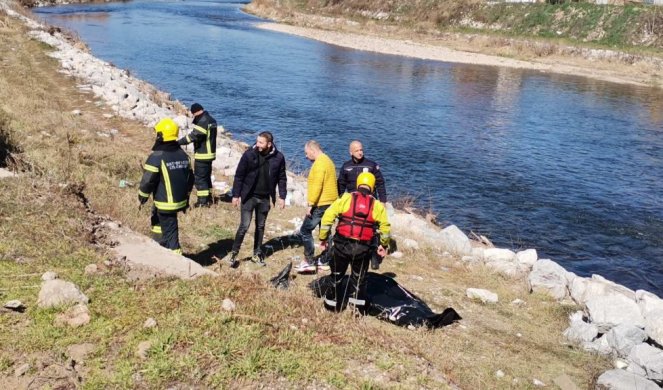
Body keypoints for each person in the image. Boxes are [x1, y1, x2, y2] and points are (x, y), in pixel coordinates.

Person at [318, 172, 391, 312]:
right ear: (372, 187)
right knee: (359, 279)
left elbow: (327, 217)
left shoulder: (345, 198)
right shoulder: (377, 205)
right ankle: (356, 309)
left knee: (336, 276)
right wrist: (384, 245)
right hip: (363, 248)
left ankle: (332, 307)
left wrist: (323, 238)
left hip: (341, 245)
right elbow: (385, 228)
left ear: (358, 184)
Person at [224, 131, 287, 267]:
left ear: (269, 144)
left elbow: (282, 178)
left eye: (261, 142)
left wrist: (282, 196)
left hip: (264, 198)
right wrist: (236, 195)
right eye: (257, 141)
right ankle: (233, 254)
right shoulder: (249, 154)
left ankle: (256, 255)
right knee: (244, 226)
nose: (257, 145)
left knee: (260, 226)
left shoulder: (279, 158)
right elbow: (239, 175)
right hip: (249, 196)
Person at [138, 118, 194, 255]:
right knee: (157, 222)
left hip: (165, 203)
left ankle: (176, 259)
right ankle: (158, 249)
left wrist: (142, 197)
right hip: (178, 200)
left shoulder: (157, 157)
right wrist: (186, 197)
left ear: (161, 135)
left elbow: (147, 181)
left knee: (171, 233)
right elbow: (190, 179)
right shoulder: (183, 155)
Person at [295, 140, 338, 273]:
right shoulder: (328, 160)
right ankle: (325, 260)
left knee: (305, 230)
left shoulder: (319, 164)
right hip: (331, 202)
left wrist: (310, 204)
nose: (306, 156)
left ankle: (309, 261)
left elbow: (317, 185)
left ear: (313, 151)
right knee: (325, 231)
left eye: (307, 153)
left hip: (320, 203)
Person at [177, 103, 217, 207]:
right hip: (210, 154)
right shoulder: (211, 120)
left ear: (195, 112)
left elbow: (194, 136)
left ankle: (202, 203)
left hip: (202, 154)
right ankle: (208, 198)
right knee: (206, 177)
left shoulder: (203, 121)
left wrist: (178, 142)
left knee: (200, 179)